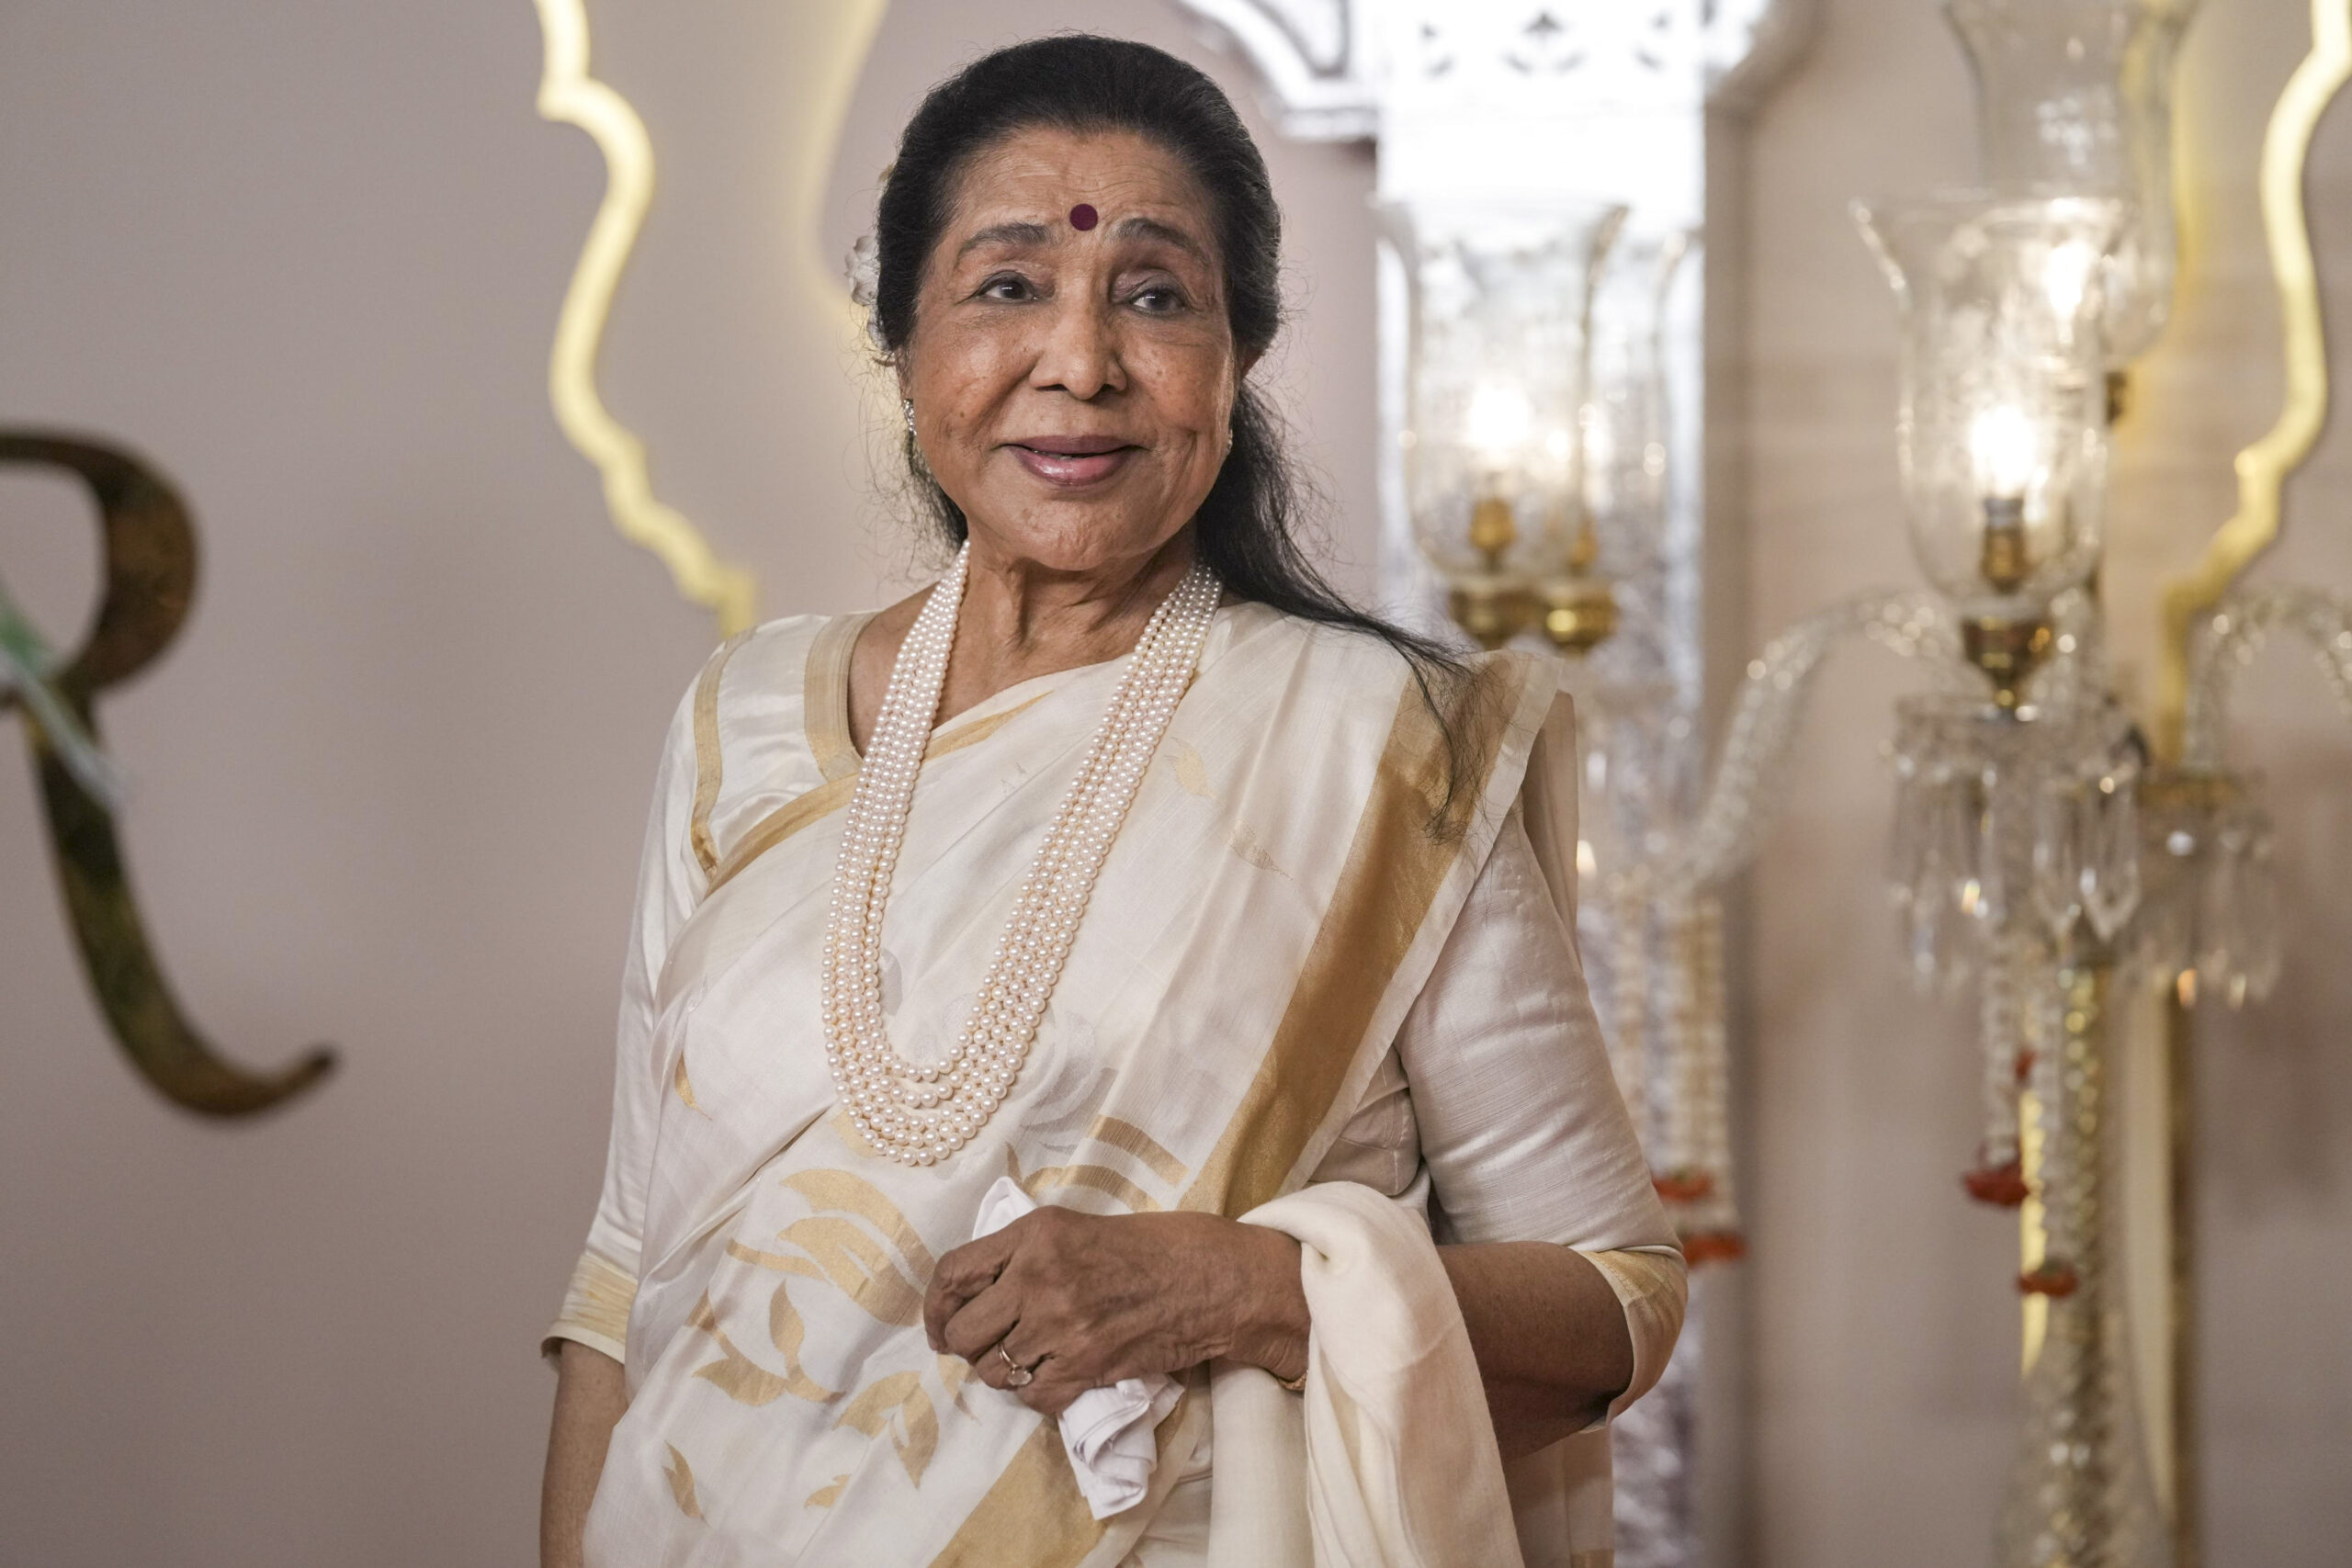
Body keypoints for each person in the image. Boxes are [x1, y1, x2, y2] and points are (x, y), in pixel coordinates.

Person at [539, 34, 1681, 1568]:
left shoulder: (1376, 745)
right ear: (902, 343)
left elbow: (1617, 1303)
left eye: (1153, 297)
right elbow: (624, 1282)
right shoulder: (740, 720)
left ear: (1237, 357)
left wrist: (1245, 1290)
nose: (1080, 362)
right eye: (1009, 285)